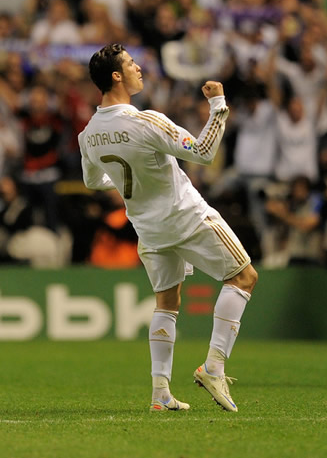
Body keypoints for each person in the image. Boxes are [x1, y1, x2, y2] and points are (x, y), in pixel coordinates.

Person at [78, 43, 258, 412]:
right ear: (116, 76)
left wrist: (136, 183)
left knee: (167, 303)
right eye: (130, 63)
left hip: (148, 227)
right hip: (186, 217)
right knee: (244, 277)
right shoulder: (146, 121)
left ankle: (161, 393)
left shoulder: (89, 134)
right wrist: (219, 105)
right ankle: (214, 367)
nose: (138, 67)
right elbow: (205, 152)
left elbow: (94, 181)